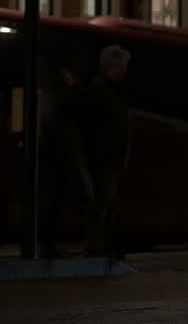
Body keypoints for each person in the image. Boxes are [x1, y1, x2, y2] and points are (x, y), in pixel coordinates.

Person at [40, 63, 92, 257]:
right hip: (63, 154)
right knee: (62, 199)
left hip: (58, 155)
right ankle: (52, 243)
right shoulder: (63, 100)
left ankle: (50, 242)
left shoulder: (53, 99)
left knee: (55, 201)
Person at [84, 45, 131, 258]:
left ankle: (100, 244)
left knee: (105, 202)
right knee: (103, 202)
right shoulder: (103, 92)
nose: (123, 71)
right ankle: (98, 245)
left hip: (107, 156)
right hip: (105, 157)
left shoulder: (103, 90)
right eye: (121, 66)